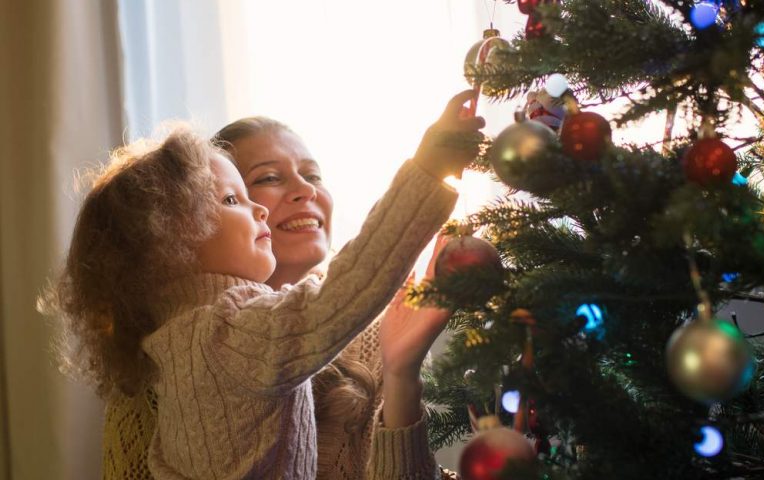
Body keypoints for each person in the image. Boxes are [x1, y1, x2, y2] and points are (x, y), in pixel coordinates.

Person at [47, 91, 483, 479]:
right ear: (173, 238)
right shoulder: (228, 333)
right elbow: (348, 287)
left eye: (312, 175)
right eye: (251, 188)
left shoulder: (178, 342)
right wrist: (428, 170)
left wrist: (400, 375)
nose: (300, 192)